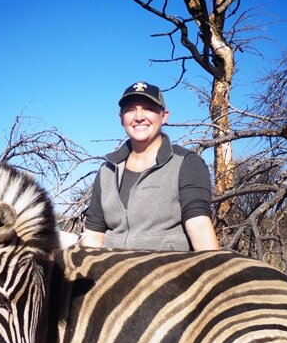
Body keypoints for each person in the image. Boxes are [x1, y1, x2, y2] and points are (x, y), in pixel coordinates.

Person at [80, 81, 220, 251]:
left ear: (164, 116)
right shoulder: (107, 170)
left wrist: (214, 271)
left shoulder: (187, 163)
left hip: (169, 273)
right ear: (121, 118)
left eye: (148, 108)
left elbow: (198, 224)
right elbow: (94, 234)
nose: (139, 116)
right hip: (112, 272)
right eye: (130, 110)